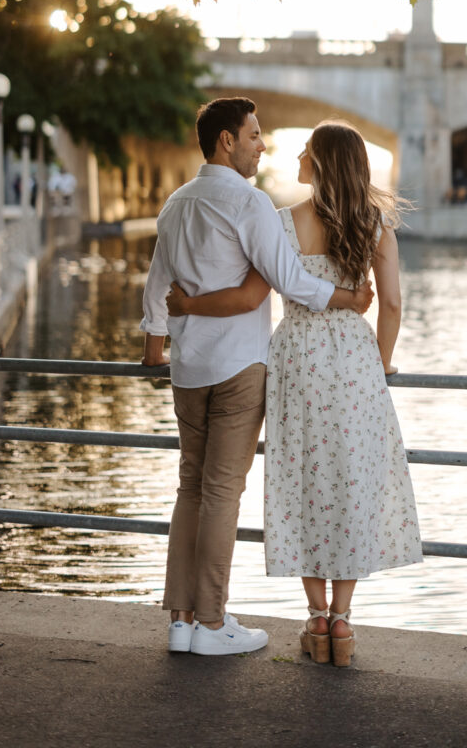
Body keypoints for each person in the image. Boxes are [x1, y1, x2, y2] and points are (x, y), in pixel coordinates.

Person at [167, 120, 422, 667]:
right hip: (355, 363)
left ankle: (313, 616)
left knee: (303, 479)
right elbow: (393, 304)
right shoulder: (376, 225)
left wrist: (186, 308)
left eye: (306, 152)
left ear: (324, 164)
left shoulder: (284, 224)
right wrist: (379, 363)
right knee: (352, 480)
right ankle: (342, 620)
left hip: (297, 362)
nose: (297, 157)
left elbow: (252, 294)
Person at [140, 98, 372, 658]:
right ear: (226, 140)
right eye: (254, 135)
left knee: (189, 488)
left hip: (189, 368)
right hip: (240, 366)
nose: (261, 144)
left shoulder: (176, 203)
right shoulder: (250, 203)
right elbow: (289, 279)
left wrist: (155, 348)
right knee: (221, 493)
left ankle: (181, 621)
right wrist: (349, 298)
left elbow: (156, 281)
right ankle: (213, 623)